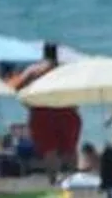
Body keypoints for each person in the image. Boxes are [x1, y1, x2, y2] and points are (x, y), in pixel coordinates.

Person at [12, 43, 82, 184]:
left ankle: (53, 180)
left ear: (43, 54)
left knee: (49, 149)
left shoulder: (34, 70)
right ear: (57, 54)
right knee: (70, 149)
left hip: (41, 111)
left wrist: (28, 103)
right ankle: (73, 179)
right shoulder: (65, 70)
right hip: (66, 109)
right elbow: (78, 89)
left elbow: (16, 88)